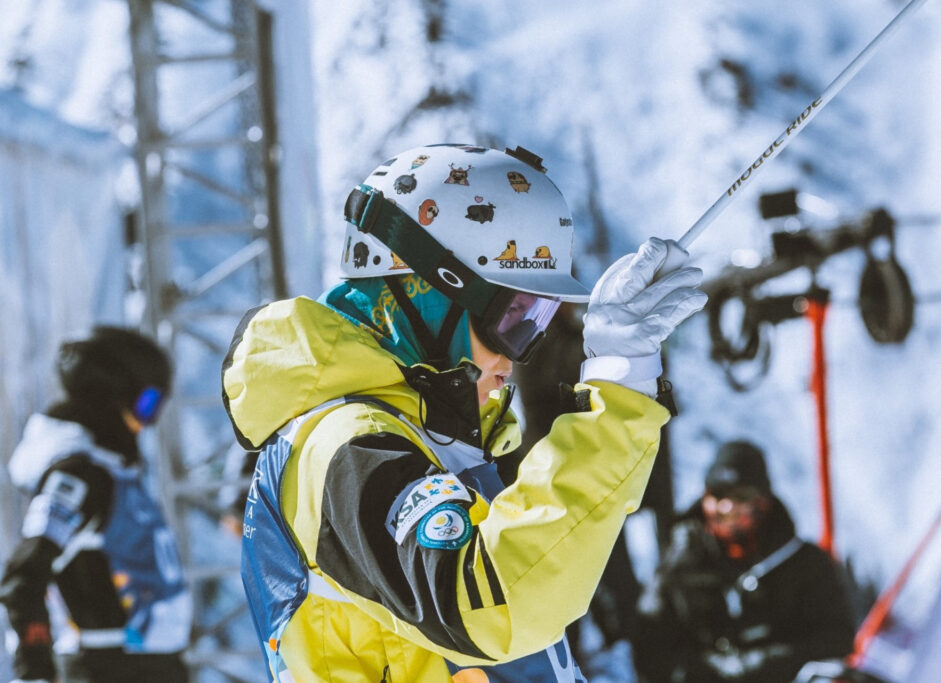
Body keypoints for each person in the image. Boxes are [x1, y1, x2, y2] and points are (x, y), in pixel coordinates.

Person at [222, 143, 708, 682]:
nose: (520, 353)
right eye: (513, 317)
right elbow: (491, 606)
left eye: (540, 319)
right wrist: (617, 397)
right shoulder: (346, 449)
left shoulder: (430, 441)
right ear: (430, 295)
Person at [0, 326, 191, 683]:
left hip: (147, 666)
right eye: (147, 404)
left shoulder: (112, 469)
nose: (146, 423)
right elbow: (22, 579)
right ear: (110, 395)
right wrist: (35, 671)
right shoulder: (80, 476)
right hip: (111, 669)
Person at [633, 440, 856, 683]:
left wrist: (764, 664)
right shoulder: (678, 564)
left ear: (763, 502)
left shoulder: (805, 564)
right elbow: (650, 645)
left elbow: (837, 637)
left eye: (740, 497)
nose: (727, 507)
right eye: (717, 495)